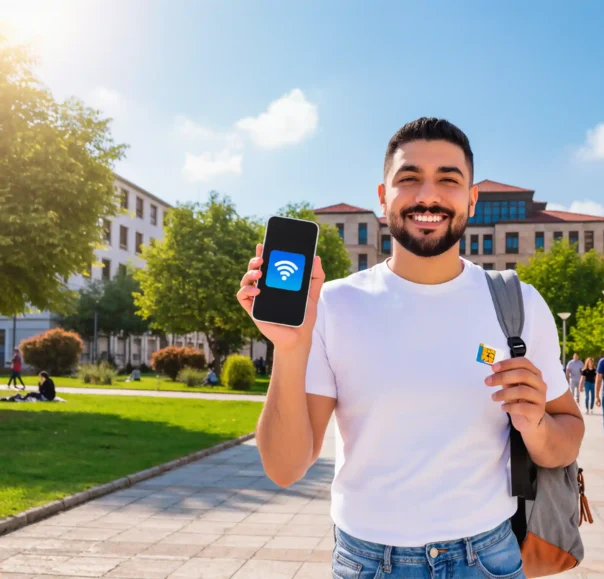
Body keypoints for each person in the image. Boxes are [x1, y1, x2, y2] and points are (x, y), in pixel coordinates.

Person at [237, 117, 584, 578]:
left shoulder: (519, 303)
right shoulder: (333, 305)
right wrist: (289, 345)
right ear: (382, 198)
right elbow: (284, 468)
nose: (427, 195)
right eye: (408, 179)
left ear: (472, 199)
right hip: (367, 562)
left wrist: (537, 424)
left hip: (489, 558)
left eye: (448, 179)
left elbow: (567, 439)